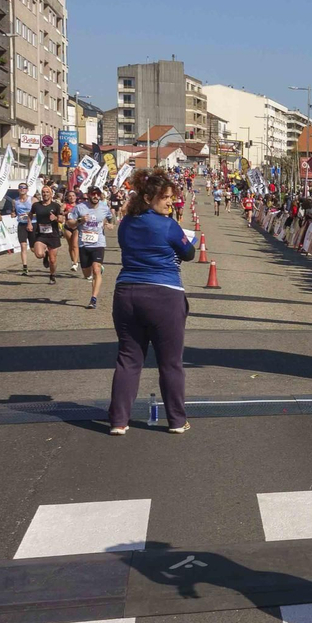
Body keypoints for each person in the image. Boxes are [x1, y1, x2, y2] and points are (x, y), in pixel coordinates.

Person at [108, 170, 196, 435]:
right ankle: (177, 420)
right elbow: (189, 253)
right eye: (165, 198)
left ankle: (118, 421)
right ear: (148, 198)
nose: (170, 203)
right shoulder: (167, 224)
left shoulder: (126, 222)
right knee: (170, 362)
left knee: (128, 359)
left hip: (126, 292)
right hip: (163, 294)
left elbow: (128, 248)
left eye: (172, 198)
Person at [69, 186, 113, 309]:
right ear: (88, 195)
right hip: (84, 244)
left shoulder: (104, 207)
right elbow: (69, 223)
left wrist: (110, 224)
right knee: (86, 273)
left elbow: (110, 217)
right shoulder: (80, 207)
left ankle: (93, 299)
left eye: (97, 194)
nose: (95, 196)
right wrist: (79, 220)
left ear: (100, 195)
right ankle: (94, 267)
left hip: (98, 243)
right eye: (93, 194)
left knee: (96, 270)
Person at [28, 185, 63, 283]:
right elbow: (30, 214)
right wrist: (29, 223)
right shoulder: (36, 205)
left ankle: (52, 275)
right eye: (43, 192)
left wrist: (55, 218)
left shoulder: (56, 206)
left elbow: (61, 219)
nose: (45, 194)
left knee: (52, 260)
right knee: (38, 254)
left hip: (53, 235)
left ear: (51, 194)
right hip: (41, 234)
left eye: (47, 192)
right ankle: (45, 254)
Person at [10, 183, 34, 274]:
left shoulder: (32, 199)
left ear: (27, 190)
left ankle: (46, 253)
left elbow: (38, 212)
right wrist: (13, 214)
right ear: (18, 190)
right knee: (23, 246)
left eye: (24, 188)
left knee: (33, 249)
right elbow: (14, 212)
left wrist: (29, 216)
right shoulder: (15, 201)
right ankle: (25, 267)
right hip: (21, 225)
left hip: (32, 224)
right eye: (20, 187)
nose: (22, 189)